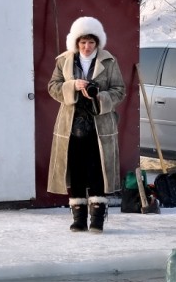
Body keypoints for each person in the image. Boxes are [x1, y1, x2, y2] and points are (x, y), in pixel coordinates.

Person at [47, 17, 126, 233]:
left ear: (97, 43)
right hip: (71, 125)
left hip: (99, 125)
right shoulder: (64, 61)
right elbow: (53, 87)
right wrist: (72, 85)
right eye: (82, 42)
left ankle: (98, 218)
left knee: (98, 170)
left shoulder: (109, 61)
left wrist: (99, 96)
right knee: (76, 170)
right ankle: (79, 218)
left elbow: (120, 90)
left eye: (91, 42)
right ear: (76, 42)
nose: (87, 47)